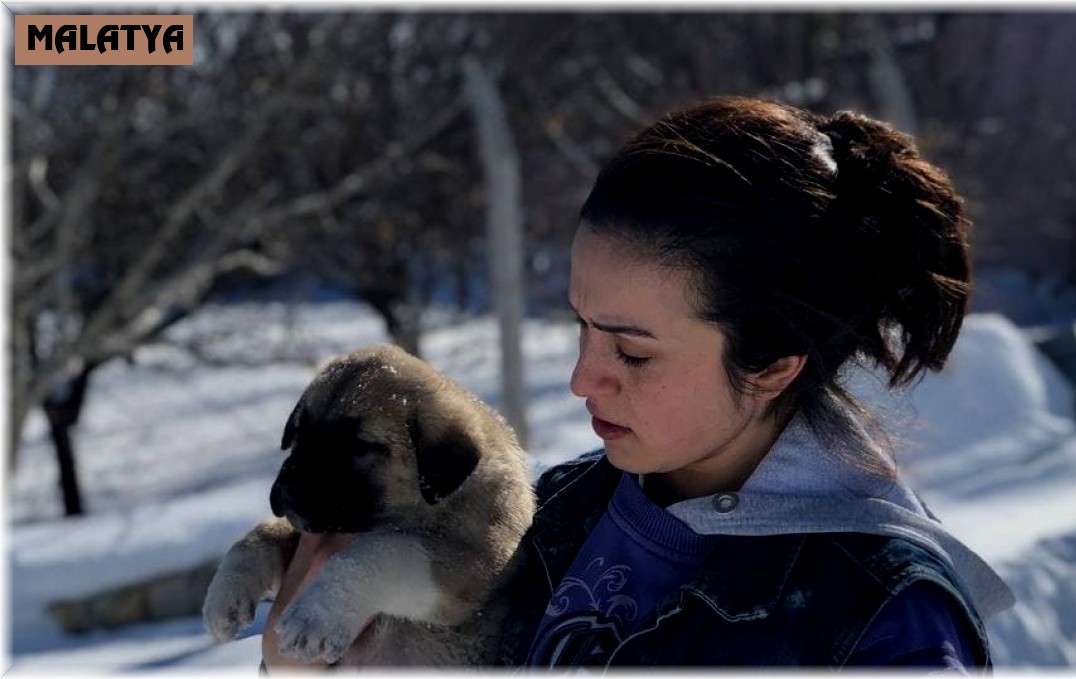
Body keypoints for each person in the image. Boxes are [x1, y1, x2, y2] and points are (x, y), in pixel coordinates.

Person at [262, 96, 1013, 671]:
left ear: (774, 361)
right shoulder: (552, 514)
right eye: (582, 328)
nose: (583, 378)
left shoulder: (880, 623)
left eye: (633, 352)